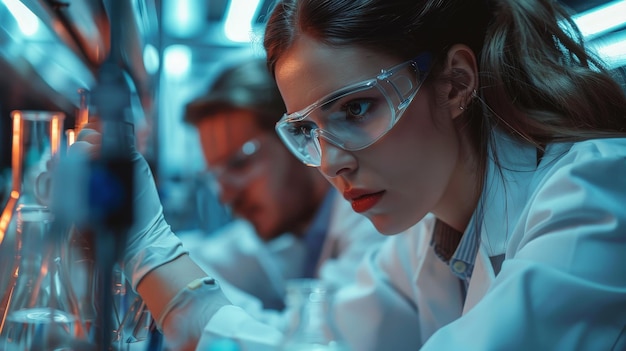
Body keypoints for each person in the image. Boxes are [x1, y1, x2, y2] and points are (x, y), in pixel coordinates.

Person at [71, 0, 626, 350]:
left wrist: (153, 249)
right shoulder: (420, 238)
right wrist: (147, 248)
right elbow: (306, 344)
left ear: (456, 83)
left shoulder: (597, 196)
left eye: (356, 109)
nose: (331, 162)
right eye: (307, 131)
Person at [178, 58, 388, 311]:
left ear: (298, 138)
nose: (225, 195)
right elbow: (213, 254)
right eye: (215, 176)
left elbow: (321, 339)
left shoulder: (371, 218)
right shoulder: (300, 230)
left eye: (239, 164)